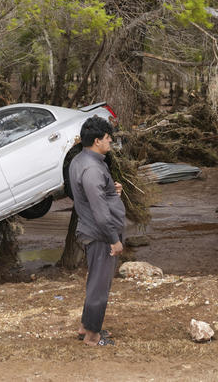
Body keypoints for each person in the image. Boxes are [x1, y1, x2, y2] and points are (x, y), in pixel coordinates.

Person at [68, 116, 125, 346]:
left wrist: (112, 189)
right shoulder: (92, 169)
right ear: (97, 140)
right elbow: (100, 212)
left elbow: (90, 193)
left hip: (93, 230)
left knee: (95, 282)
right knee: (100, 285)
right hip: (101, 235)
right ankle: (92, 336)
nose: (110, 141)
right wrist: (114, 239)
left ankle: (85, 326)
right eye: (108, 137)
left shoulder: (80, 160)